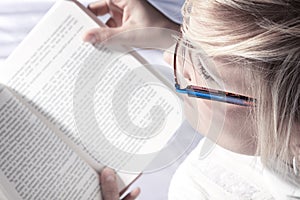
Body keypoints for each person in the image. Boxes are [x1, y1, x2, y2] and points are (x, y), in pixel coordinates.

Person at [83, 0, 300, 199]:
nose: (169, 58)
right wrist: (166, 32)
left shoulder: (199, 188)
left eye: (206, 73)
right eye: (184, 33)